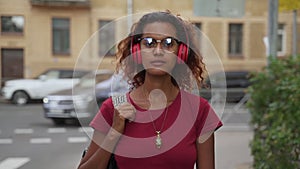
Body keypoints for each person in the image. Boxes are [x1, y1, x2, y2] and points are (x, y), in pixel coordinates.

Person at [78, 10, 222, 169]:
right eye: (149, 42)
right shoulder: (114, 108)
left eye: (168, 43)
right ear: (137, 51)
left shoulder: (199, 110)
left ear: (181, 52)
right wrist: (114, 132)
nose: (158, 51)